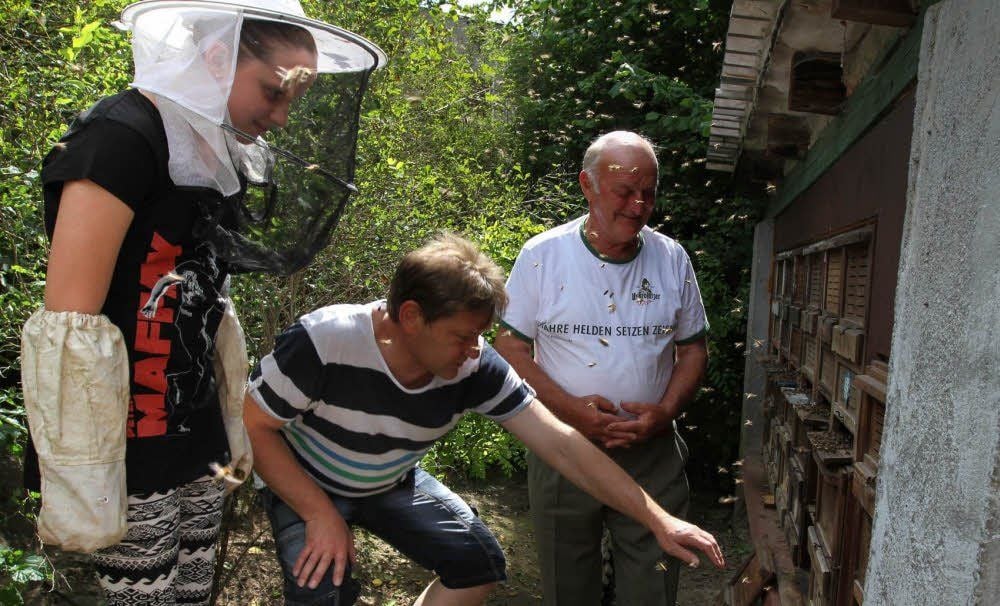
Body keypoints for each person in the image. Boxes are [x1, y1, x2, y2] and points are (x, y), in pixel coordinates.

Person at [19, 1, 384, 603]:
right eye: (273, 92)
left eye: (292, 100)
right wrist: (87, 471)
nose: (281, 116)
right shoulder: (121, 137)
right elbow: (70, 324)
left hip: (196, 428)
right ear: (217, 57)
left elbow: (205, 292)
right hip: (128, 440)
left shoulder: (214, 145)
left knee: (192, 592)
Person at [244, 233, 724, 606]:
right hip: (306, 481)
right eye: (462, 336)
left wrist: (659, 519)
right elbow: (254, 425)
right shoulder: (324, 340)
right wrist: (319, 513)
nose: (474, 351)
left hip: (389, 480)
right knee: (321, 588)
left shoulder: (475, 368)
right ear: (410, 316)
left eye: (480, 336)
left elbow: (562, 445)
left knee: (477, 565)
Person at [494, 131, 710, 605]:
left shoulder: (671, 257)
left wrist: (664, 413)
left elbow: (694, 351)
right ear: (587, 185)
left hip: (651, 452)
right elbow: (509, 349)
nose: (638, 205)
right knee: (568, 585)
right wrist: (571, 410)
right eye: (624, 191)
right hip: (564, 447)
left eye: (648, 193)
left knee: (652, 585)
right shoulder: (542, 255)